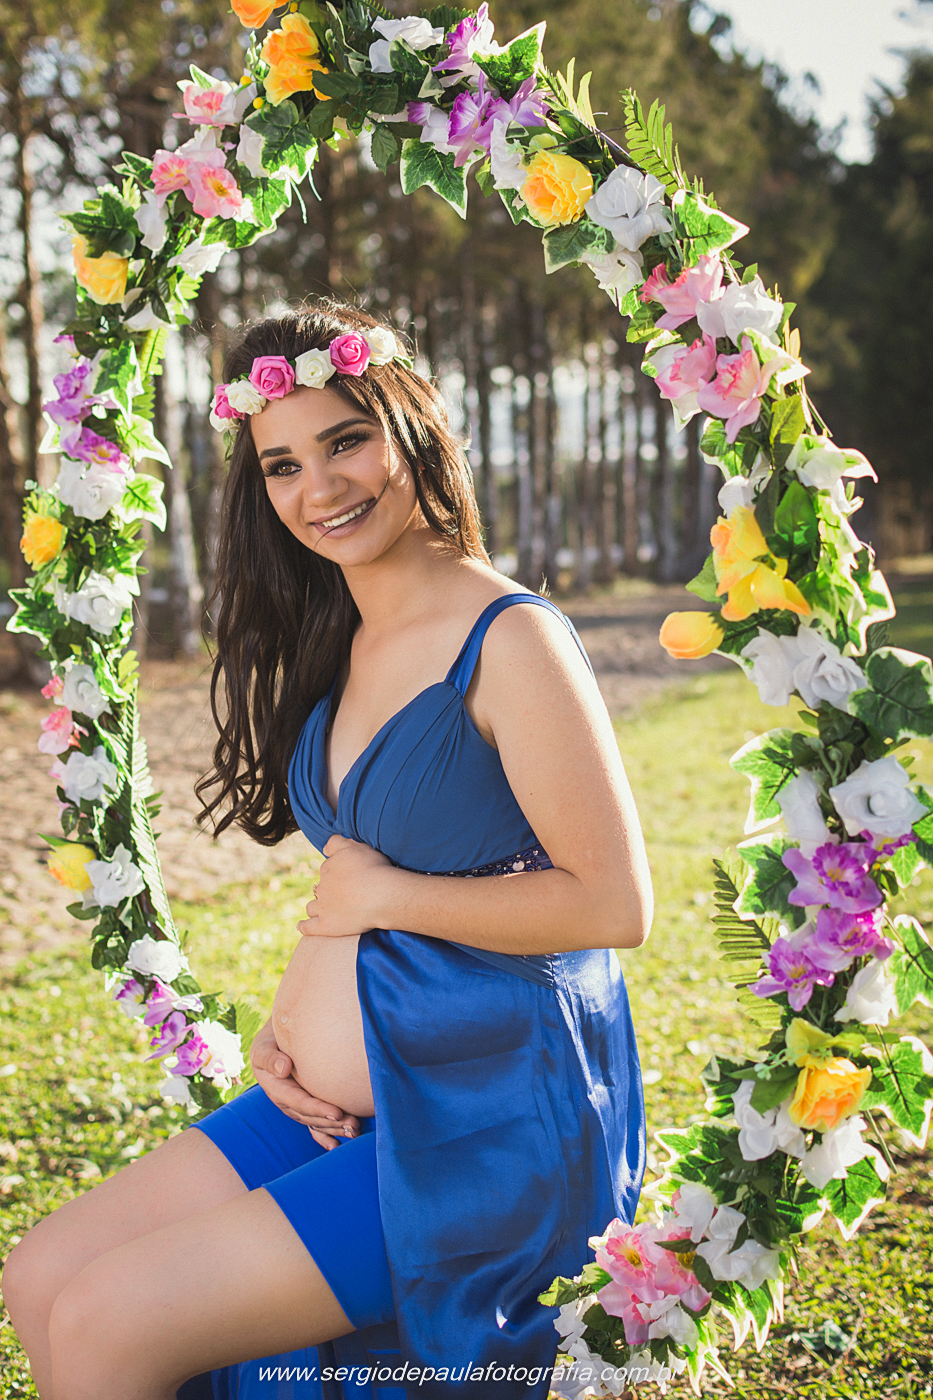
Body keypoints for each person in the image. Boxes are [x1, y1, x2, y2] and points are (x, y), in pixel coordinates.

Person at [2, 301, 652, 1400]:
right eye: (282, 464)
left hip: (482, 1119)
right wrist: (293, 1025)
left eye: (345, 441)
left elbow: (612, 904)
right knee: (41, 1274)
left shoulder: (511, 637)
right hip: (344, 1102)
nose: (320, 487)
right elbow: (361, 883)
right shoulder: (342, 641)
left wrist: (386, 896)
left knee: (113, 1322)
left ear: (411, 426)